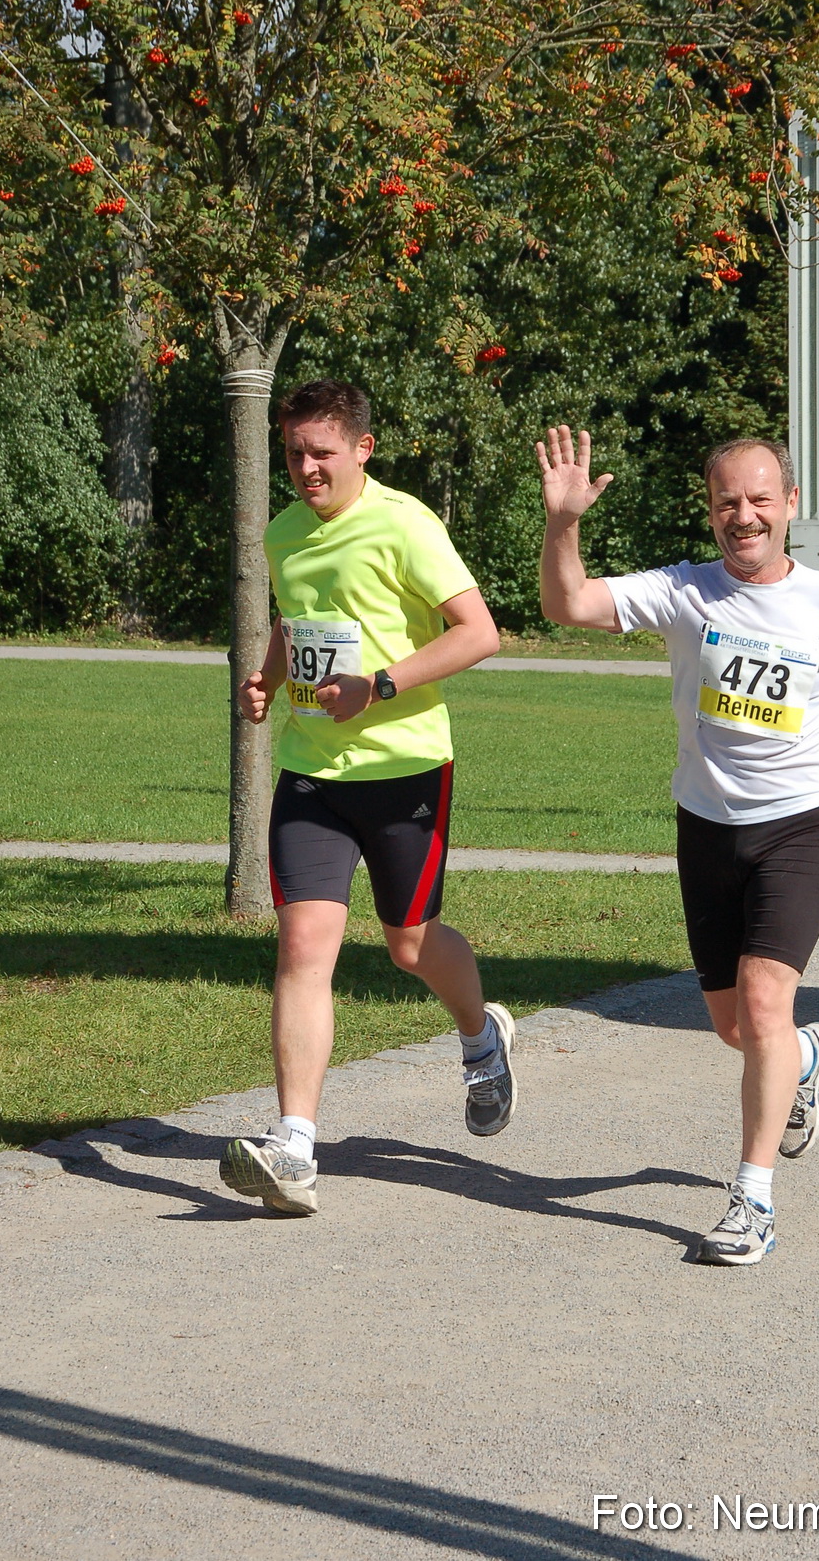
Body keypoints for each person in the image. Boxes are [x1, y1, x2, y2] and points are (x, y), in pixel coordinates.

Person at [536, 425, 819, 1266]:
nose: (744, 515)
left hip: (801, 826)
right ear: (709, 511)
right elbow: (567, 605)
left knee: (765, 1005)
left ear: (790, 504)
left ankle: (752, 1200)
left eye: (760, 499)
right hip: (705, 829)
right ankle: (808, 1054)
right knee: (736, 1027)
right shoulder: (683, 591)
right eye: (726, 501)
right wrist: (563, 523)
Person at [219, 379, 516, 1217]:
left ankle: (481, 1037)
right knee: (302, 946)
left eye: (321, 452)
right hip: (312, 771)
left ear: (362, 449)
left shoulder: (405, 523)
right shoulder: (284, 531)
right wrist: (267, 679)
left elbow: (479, 632)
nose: (306, 468)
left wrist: (377, 685)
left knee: (409, 945)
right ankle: (294, 1146)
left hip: (404, 768)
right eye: (293, 453)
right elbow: (297, 620)